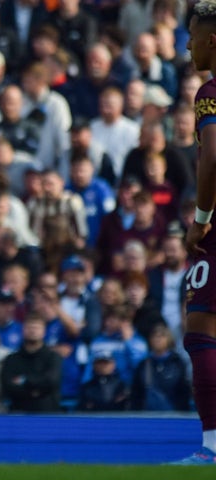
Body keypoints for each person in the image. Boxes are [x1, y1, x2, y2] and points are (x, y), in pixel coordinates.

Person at [174, 0, 216, 464]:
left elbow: (212, 158)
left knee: (202, 328)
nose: (187, 44)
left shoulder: (210, 90)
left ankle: (211, 447)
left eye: (192, 35)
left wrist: (202, 217)